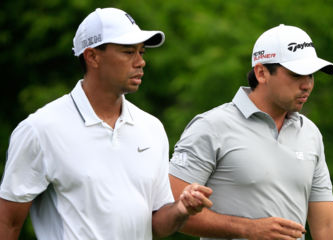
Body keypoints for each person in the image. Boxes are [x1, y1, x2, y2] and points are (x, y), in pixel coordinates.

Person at [0, 7, 212, 240]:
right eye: (128, 52)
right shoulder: (40, 129)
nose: (140, 62)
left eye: (141, 52)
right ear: (92, 57)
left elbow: (156, 225)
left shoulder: (151, 128)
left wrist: (181, 209)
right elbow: (7, 223)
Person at [169, 24, 333, 240]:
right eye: (296, 74)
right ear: (261, 72)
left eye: (311, 75)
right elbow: (171, 209)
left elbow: (327, 225)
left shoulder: (310, 133)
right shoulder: (211, 126)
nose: (307, 85)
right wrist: (246, 229)